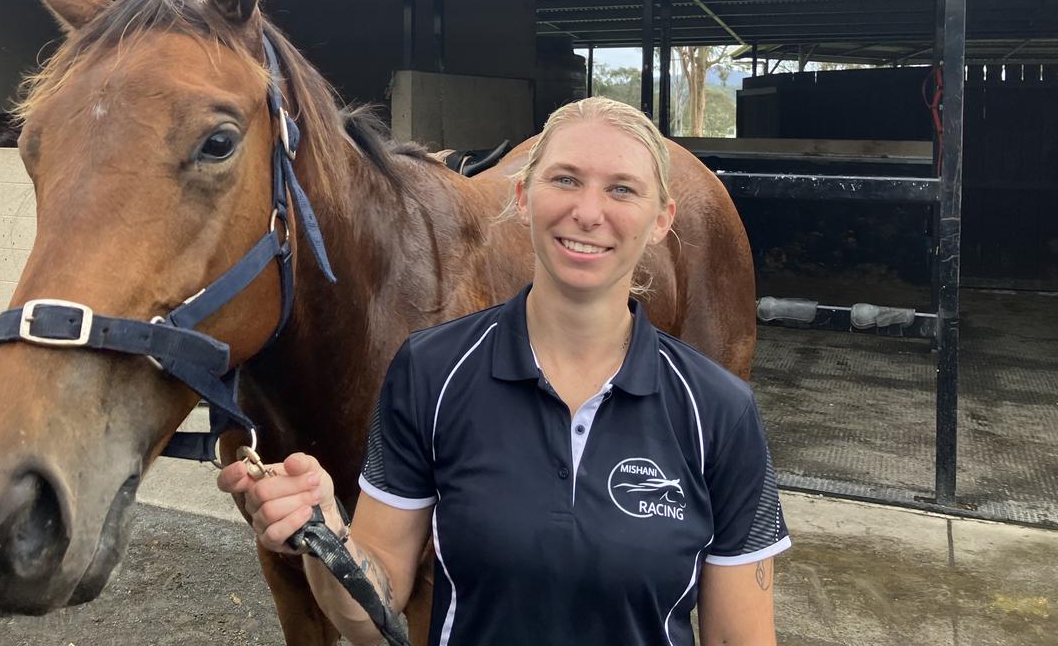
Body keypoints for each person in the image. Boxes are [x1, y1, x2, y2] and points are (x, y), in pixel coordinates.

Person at [218, 96, 790, 645]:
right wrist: (326, 533)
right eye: (564, 180)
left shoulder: (720, 411)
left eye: (621, 189)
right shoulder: (429, 372)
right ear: (521, 196)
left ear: (663, 219)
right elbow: (373, 612)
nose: (588, 213)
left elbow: (736, 634)